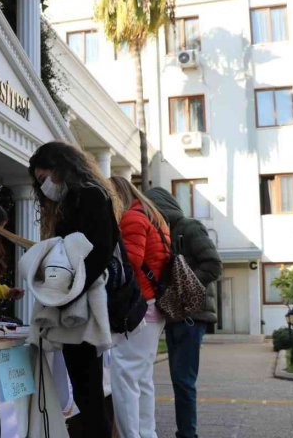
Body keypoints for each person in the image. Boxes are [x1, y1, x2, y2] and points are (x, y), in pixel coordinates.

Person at [28, 141, 119, 438]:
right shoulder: (71, 200)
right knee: (84, 389)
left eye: (45, 178)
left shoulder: (91, 196)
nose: (44, 187)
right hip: (73, 300)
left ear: (61, 168)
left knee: (89, 390)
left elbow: (101, 249)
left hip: (82, 301)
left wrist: (69, 290)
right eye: (38, 181)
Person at [146, 187, 222, 438]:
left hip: (191, 315)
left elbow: (213, 265)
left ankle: (188, 434)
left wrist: (183, 287)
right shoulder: (162, 232)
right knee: (180, 380)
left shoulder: (189, 228)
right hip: (175, 313)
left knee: (183, 380)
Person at [107, 176, 171, 438]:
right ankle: (147, 433)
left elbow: (129, 261)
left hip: (141, 309)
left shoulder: (132, 218)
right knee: (142, 379)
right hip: (155, 307)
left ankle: (132, 434)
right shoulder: (153, 216)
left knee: (124, 379)